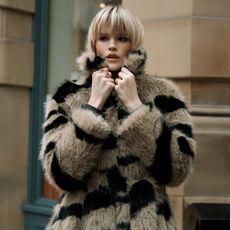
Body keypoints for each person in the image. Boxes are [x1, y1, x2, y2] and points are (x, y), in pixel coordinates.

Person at [40, 5, 196, 230]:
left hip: (144, 222)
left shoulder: (163, 94)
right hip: (81, 223)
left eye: (121, 38)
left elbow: (178, 171)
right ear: (94, 43)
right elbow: (60, 175)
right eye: (104, 38)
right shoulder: (68, 97)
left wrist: (136, 107)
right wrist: (93, 106)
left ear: (133, 43)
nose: (112, 45)